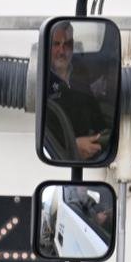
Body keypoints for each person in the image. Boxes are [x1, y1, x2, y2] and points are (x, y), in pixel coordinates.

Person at [44, 20, 111, 163]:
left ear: (73, 46)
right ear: (47, 46)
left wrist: (103, 135)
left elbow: (93, 109)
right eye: (56, 44)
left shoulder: (81, 71)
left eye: (66, 44)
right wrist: (73, 146)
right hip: (59, 155)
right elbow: (44, 131)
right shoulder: (42, 80)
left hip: (93, 149)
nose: (61, 51)